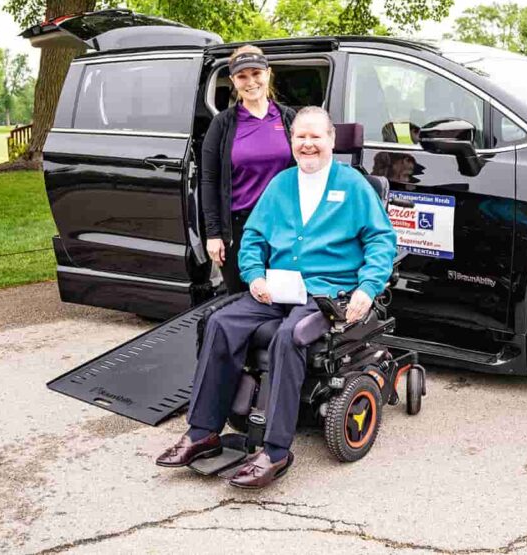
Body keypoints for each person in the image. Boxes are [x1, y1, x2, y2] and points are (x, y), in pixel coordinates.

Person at [156, 107, 398, 489]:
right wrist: (253, 276)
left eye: (316, 136)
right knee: (220, 322)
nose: (307, 144)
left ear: (331, 140)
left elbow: (382, 241)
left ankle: (275, 451)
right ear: (292, 142)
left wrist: (367, 288)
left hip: (326, 294)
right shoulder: (281, 184)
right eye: (300, 136)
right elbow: (252, 238)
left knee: (291, 335)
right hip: (278, 288)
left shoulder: (352, 185)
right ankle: (203, 431)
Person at [201, 45, 298, 293]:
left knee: (282, 299)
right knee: (243, 302)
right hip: (239, 228)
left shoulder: (288, 118)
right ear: (233, 80)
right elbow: (209, 181)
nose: (250, 81)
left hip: (284, 226)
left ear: (268, 74)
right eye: (242, 76)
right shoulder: (223, 124)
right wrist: (214, 235)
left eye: (256, 73)